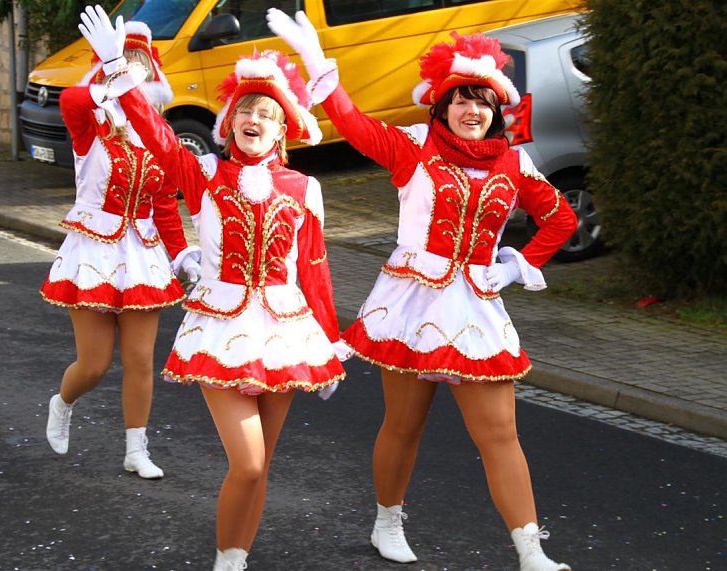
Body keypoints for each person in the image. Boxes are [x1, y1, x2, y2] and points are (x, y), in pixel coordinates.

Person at [268, 9, 577, 571]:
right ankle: (387, 521)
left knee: (500, 434)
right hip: (410, 306)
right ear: (440, 103)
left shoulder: (513, 162)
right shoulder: (413, 146)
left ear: (496, 110)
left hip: (475, 309)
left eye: (483, 101)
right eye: (461, 98)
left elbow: (560, 219)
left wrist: (514, 266)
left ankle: (531, 551)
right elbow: (354, 124)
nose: (472, 110)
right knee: (404, 425)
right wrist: (320, 67)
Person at [78, 7, 348, 569]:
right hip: (221, 329)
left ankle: (233, 558)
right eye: (246, 109)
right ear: (227, 123)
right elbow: (153, 133)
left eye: (268, 113)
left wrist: (330, 344)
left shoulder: (304, 187)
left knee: (261, 466)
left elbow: (316, 271)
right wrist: (115, 67)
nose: (255, 118)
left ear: (284, 129)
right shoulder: (201, 173)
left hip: (286, 332)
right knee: (247, 462)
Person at [40, 9, 201, 480]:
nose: (134, 68)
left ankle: (136, 449)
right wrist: (107, 79)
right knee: (93, 365)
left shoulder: (161, 138)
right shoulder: (91, 127)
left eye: (141, 61)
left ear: (155, 72)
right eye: (125, 60)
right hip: (92, 252)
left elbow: (166, 206)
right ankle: (63, 401)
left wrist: (183, 253)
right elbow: (70, 101)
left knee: (140, 361)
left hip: (142, 255)